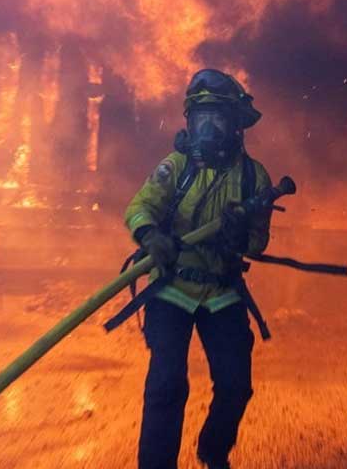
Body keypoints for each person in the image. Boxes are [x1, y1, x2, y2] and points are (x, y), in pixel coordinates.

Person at [123, 68, 272, 469]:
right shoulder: (177, 166)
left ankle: (213, 449)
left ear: (235, 126)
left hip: (222, 292)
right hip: (171, 289)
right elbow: (140, 208)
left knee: (236, 386)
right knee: (166, 386)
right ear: (190, 121)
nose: (207, 128)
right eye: (201, 118)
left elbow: (259, 242)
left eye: (217, 119)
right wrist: (151, 236)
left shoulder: (253, 177)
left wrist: (241, 234)